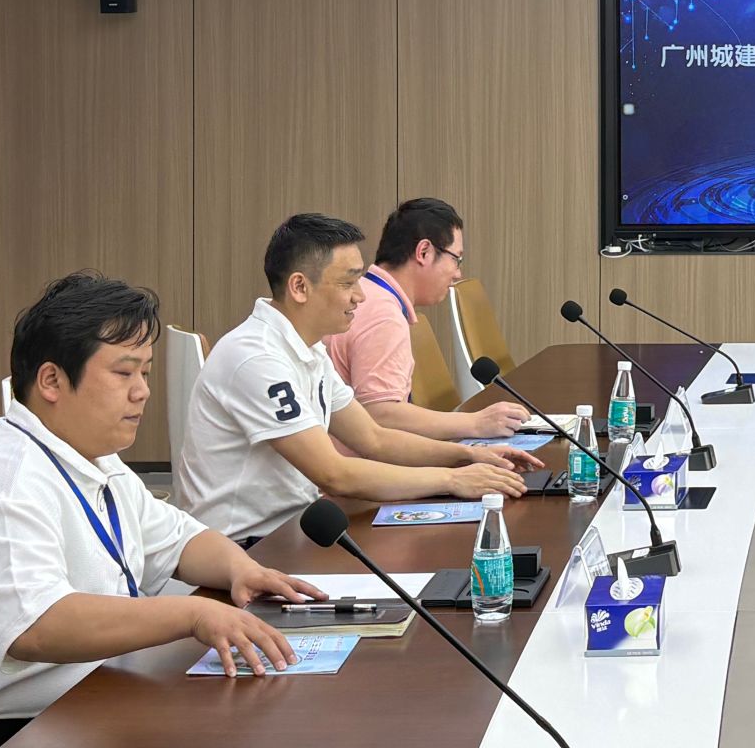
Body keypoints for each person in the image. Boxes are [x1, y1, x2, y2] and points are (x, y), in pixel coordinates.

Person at [0, 273, 325, 748]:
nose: (142, 392)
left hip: (89, 692)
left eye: (145, 372)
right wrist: (191, 615)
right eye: (124, 374)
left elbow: (178, 539)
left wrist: (241, 569)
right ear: (52, 381)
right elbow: (38, 627)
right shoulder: (1, 483)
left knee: (251, 733)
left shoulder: (93, 457)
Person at [175, 214, 535, 543]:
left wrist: (467, 457)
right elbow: (334, 474)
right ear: (300, 287)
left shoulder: (308, 347)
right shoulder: (257, 358)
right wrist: (453, 480)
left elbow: (373, 438)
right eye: (348, 282)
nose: (360, 296)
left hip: (296, 527)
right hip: (247, 547)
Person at [325, 197, 529, 447]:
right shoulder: (383, 315)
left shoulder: (369, 293)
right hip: (356, 466)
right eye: (456, 259)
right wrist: (475, 423)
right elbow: (381, 414)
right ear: (424, 252)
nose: (458, 273)